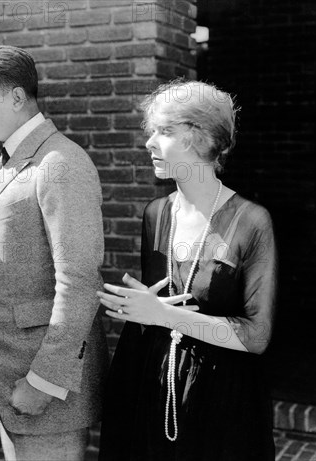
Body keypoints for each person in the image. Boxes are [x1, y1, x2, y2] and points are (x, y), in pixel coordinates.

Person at [98, 80, 277, 461]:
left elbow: (256, 335)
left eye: (164, 132)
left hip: (221, 401)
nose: (149, 143)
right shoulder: (156, 213)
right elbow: (154, 309)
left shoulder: (251, 221)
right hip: (153, 387)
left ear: (201, 138)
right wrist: (142, 311)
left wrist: (164, 315)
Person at [0, 45, 109, 461]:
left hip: (45, 382)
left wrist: (45, 380)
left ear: (17, 97)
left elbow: (80, 282)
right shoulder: (12, 158)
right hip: (12, 371)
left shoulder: (59, 163)